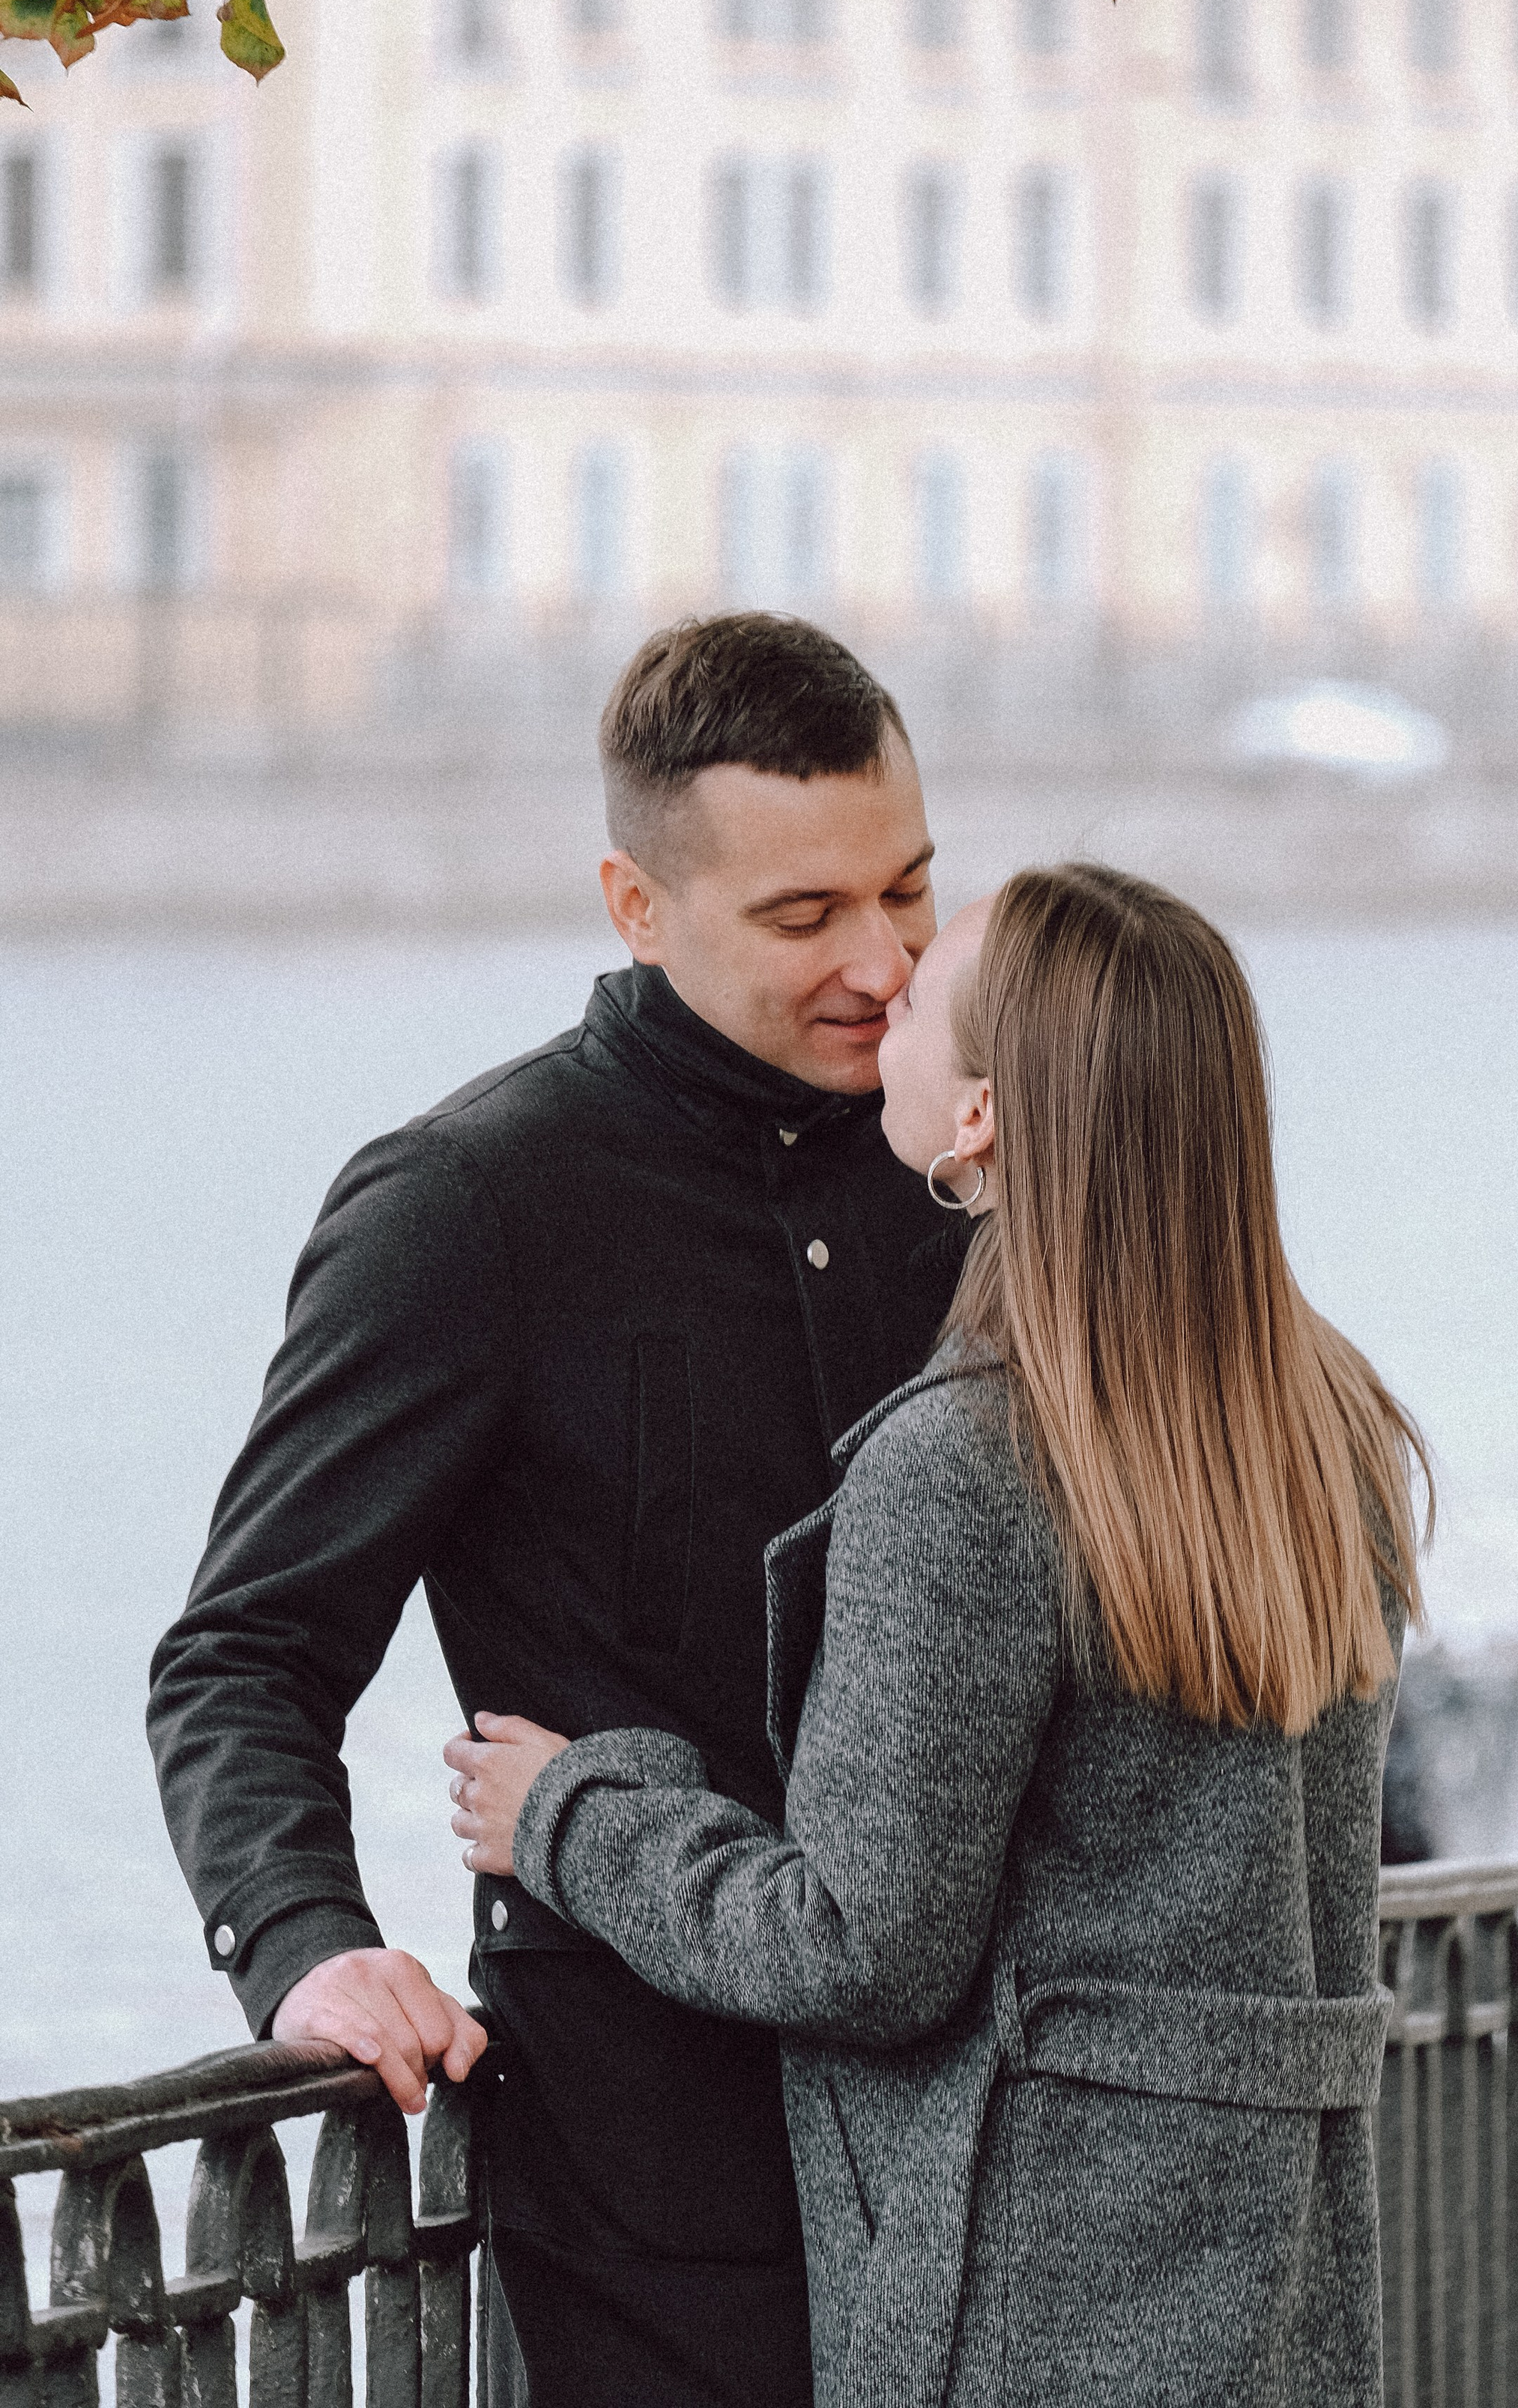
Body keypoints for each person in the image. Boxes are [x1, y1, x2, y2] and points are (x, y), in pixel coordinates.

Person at [449, 862, 1430, 2408]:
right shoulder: (1326, 1431)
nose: (876, 995)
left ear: (976, 1117)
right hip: (1274, 2303)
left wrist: (573, 1817)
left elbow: (863, 1949)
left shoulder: (967, 1466)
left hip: (1029, 2316)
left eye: (912, 1002)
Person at [148, 614, 970, 2408]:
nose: (884, 958)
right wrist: (302, 1943)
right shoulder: (468, 1202)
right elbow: (246, 1653)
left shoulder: (978, 1164)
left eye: (907, 889)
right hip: (653, 2185)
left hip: (991, 2155)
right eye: (803, 915)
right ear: (636, 903)